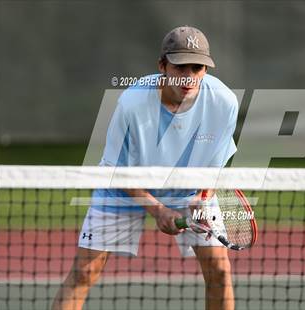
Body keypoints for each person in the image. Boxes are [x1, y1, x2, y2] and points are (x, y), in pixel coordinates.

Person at [52, 26, 238, 310]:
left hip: (188, 189)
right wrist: (157, 209)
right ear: (162, 66)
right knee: (84, 272)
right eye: (180, 66)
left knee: (220, 272)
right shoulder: (132, 102)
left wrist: (201, 198)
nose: (189, 76)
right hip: (124, 188)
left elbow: (213, 165)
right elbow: (113, 169)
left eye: (197, 67)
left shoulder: (224, 103)